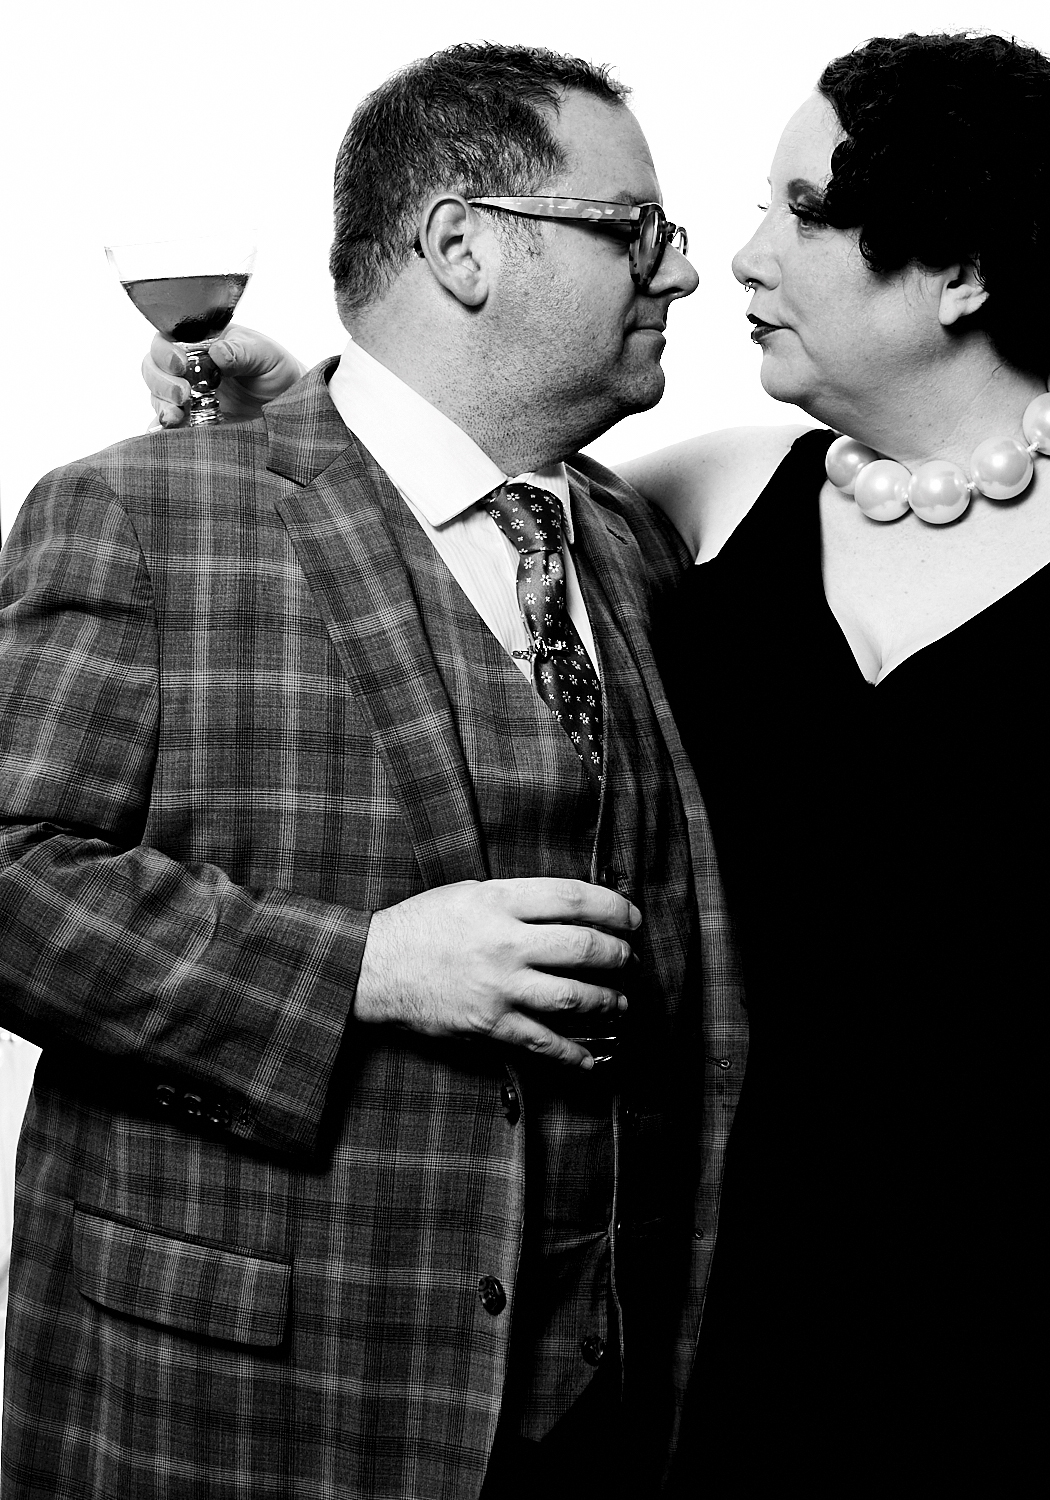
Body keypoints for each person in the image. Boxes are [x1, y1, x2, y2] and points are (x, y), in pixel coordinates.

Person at [147, 32, 1050, 1498]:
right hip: (748, 1250)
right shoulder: (715, 496)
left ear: (960, 272)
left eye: (803, 210)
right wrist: (298, 400)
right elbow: (446, 499)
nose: (737, 259)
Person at [0, 44, 748, 1500]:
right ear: (464, 246)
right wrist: (361, 970)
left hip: (605, 1424)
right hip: (239, 1410)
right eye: (634, 230)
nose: (681, 270)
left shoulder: (635, 538)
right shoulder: (139, 512)